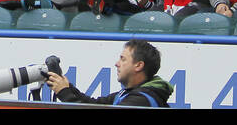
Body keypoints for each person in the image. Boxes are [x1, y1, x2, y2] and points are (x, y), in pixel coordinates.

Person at [46, 39, 174, 107]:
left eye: (123, 59)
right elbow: (91, 105)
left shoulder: (140, 101)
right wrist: (66, 87)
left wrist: (64, 93)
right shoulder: (129, 94)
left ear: (138, 65)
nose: (117, 63)